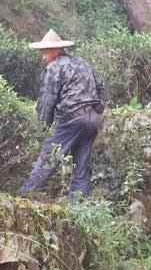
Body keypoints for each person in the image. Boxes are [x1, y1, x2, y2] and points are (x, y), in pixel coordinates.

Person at [19, 29, 105, 203]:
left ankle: (23, 199)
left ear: (57, 50)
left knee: (48, 158)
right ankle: (79, 211)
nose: (43, 57)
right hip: (92, 119)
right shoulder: (81, 62)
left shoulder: (54, 68)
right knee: (81, 167)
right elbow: (100, 87)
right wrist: (97, 108)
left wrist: (41, 127)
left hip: (71, 119)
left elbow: (46, 100)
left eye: (45, 52)